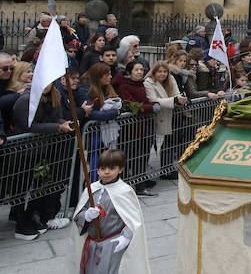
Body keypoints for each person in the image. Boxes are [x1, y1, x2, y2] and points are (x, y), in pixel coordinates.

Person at [10, 83, 74, 240]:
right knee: (21, 187)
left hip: (40, 150)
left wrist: (64, 123)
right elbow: (29, 125)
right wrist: (58, 127)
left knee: (38, 184)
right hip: (22, 152)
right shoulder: (25, 100)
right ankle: (21, 222)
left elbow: (54, 117)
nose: (46, 86)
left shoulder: (53, 96)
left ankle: (30, 217)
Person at [73, 149, 150, 274]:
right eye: (103, 168)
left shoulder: (124, 191)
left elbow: (133, 220)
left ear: (120, 169)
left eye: (112, 168)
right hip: (92, 244)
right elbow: (79, 215)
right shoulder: (92, 189)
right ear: (97, 170)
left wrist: (126, 236)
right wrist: (86, 216)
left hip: (113, 244)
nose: (106, 172)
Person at [112, 61, 159, 197]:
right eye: (136, 70)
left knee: (143, 156)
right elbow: (132, 106)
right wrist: (150, 108)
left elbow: (147, 100)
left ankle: (140, 184)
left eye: (141, 69)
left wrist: (153, 103)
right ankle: (126, 186)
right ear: (129, 72)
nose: (139, 72)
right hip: (131, 129)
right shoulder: (124, 87)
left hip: (145, 126)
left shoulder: (143, 85)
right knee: (130, 157)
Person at [144, 61, 187, 179]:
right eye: (159, 72)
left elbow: (177, 93)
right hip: (155, 116)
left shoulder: (171, 79)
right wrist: (174, 100)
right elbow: (152, 99)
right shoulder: (148, 82)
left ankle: (166, 169)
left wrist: (180, 99)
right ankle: (145, 174)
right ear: (154, 72)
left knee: (169, 142)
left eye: (164, 72)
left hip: (169, 114)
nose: (162, 74)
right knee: (150, 144)